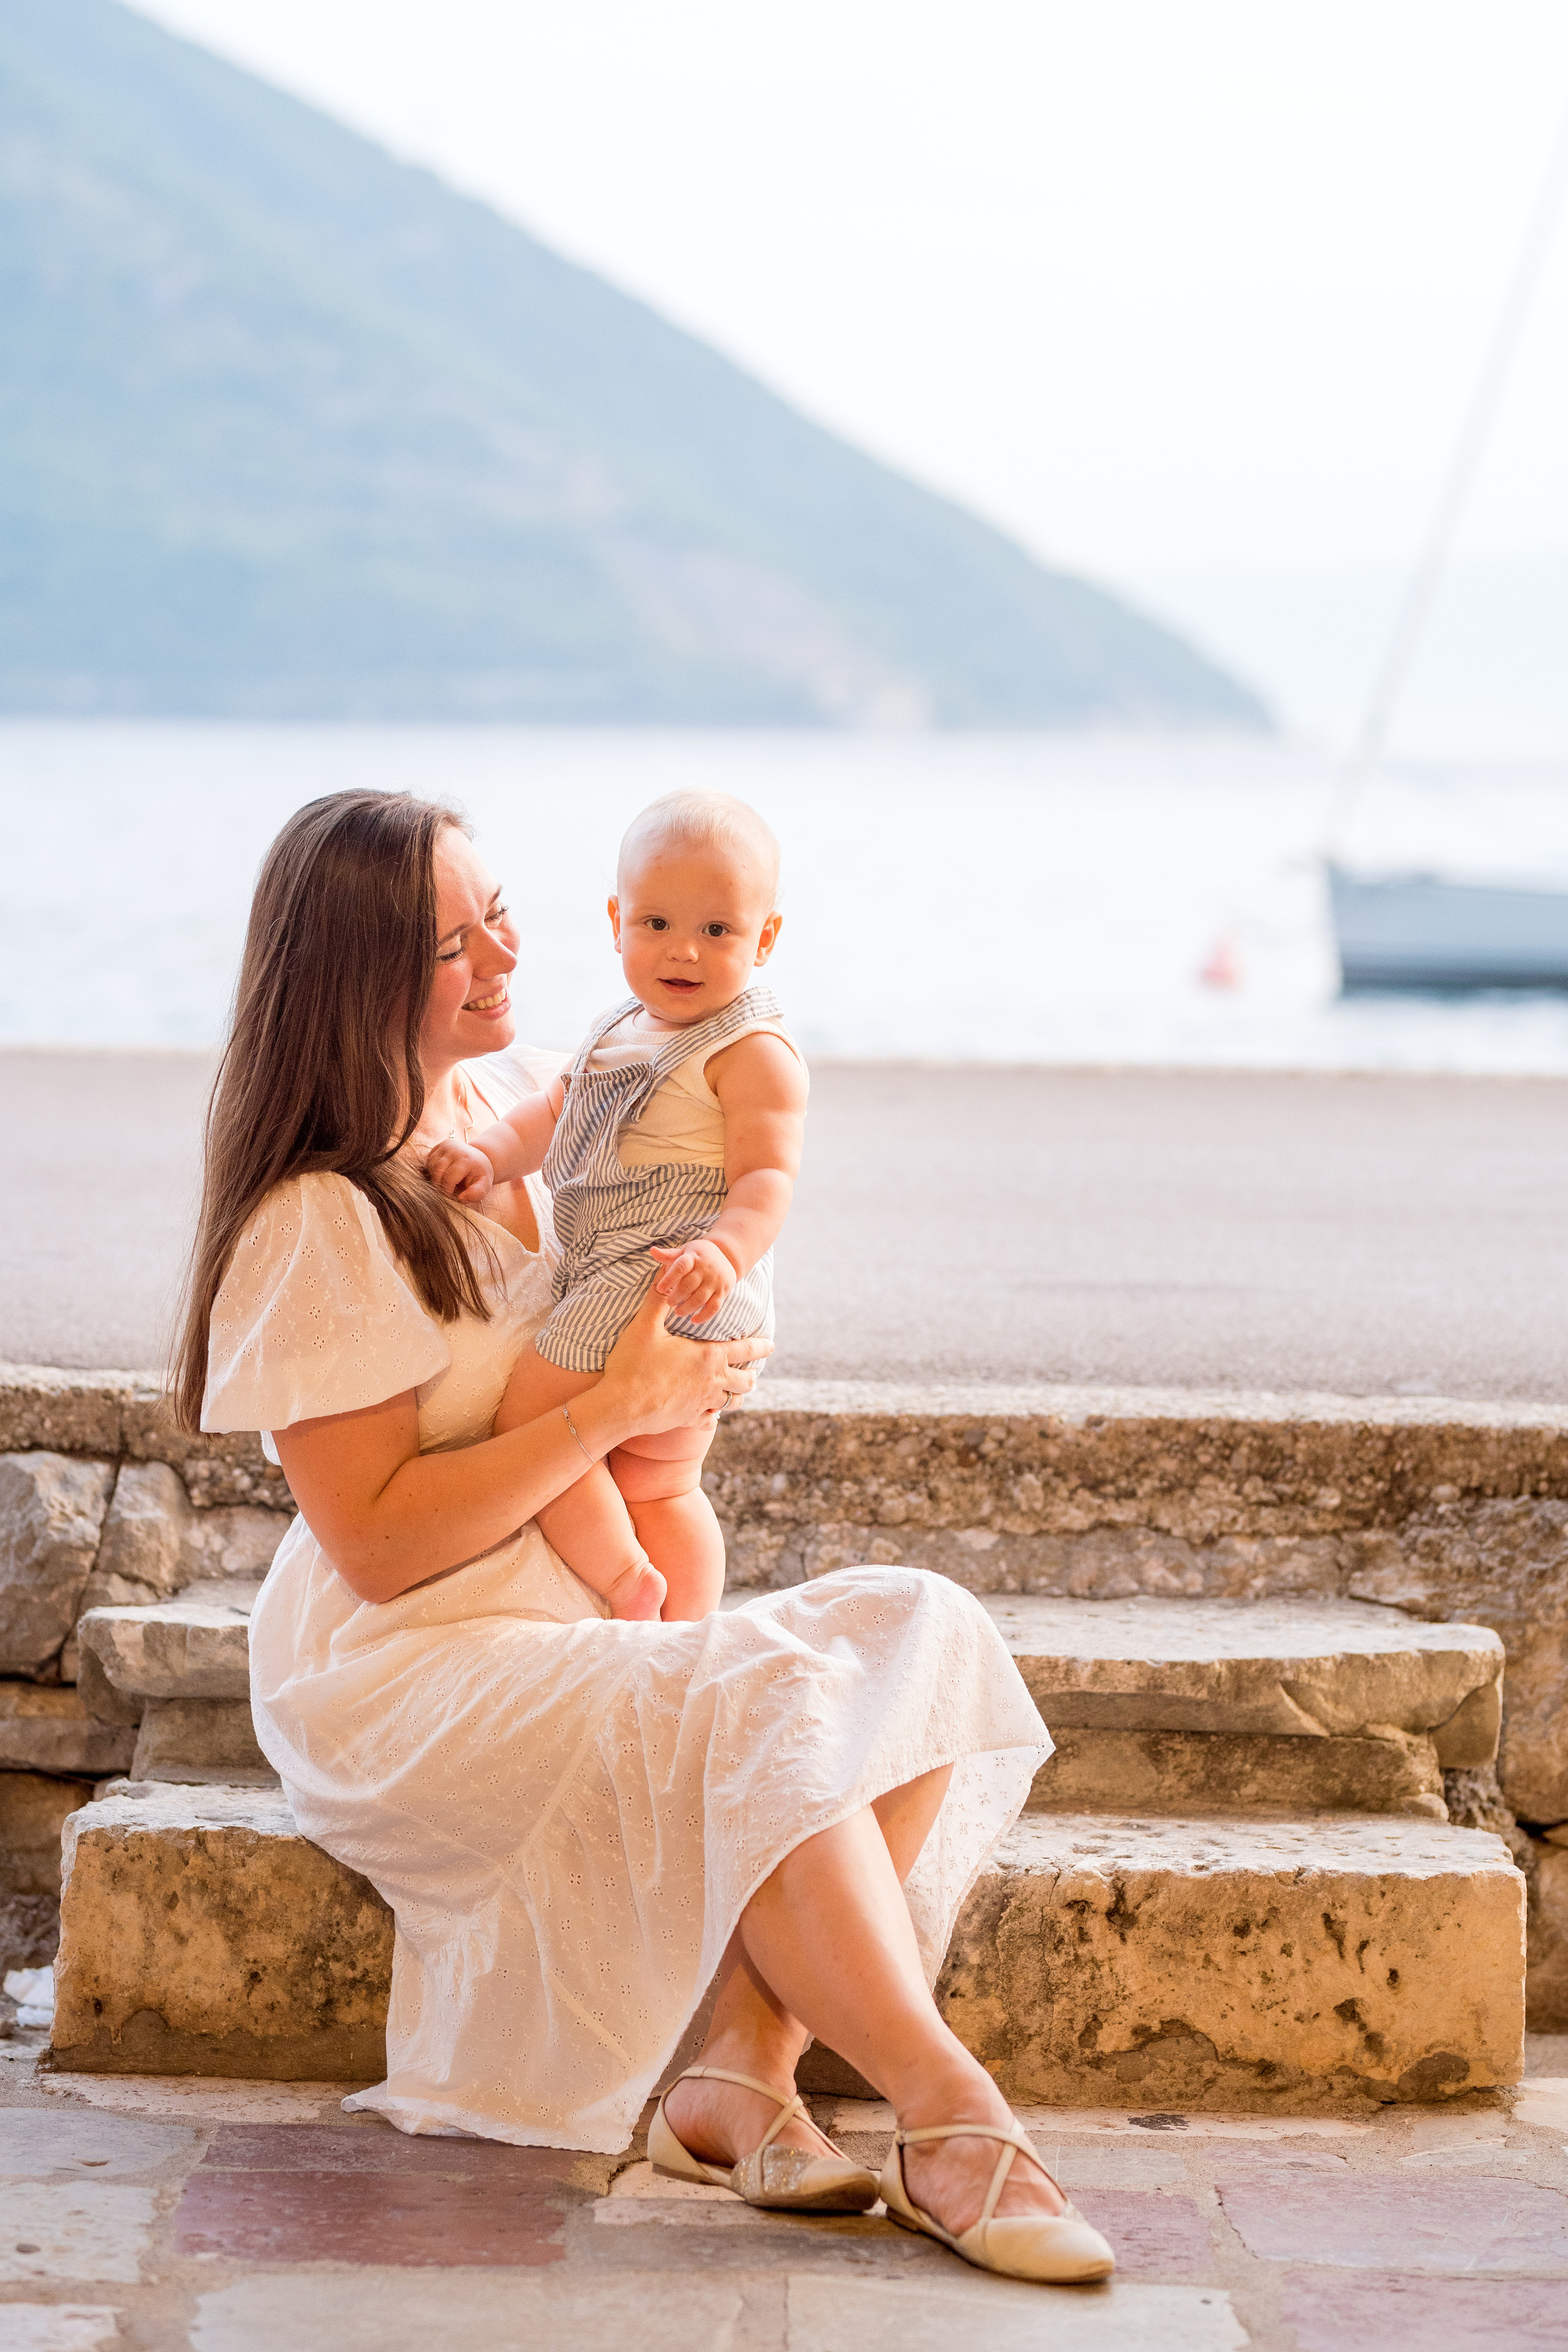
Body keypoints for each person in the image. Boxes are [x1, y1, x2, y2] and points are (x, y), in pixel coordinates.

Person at [173, 787, 1114, 2288]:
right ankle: (952, 2117)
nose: (502, 949)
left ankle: (737, 2073)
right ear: (354, 971)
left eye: (500, 910)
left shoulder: (542, 1105)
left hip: (579, 1613)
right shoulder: (317, 1218)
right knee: (756, 1696)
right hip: (407, 1667)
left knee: (921, 1624)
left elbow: (723, 1196)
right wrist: (617, 1408)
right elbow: (376, 1547)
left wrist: (704, 1349)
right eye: (451, 937)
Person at [427, 789, 804, 1625]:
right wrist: (487, 1153)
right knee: (654, 1476)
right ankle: (685, 1635)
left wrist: (723, 1255)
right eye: (657, 924)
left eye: (718, 931)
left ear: (765, 938)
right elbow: (554, 1115)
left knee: (530, 1417)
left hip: (668, 1269)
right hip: (625, 1264)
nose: (685, 953)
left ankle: (629, 1581)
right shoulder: (617, 1030)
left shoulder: (752, 1053)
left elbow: (766, 1181)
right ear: (616, 920)